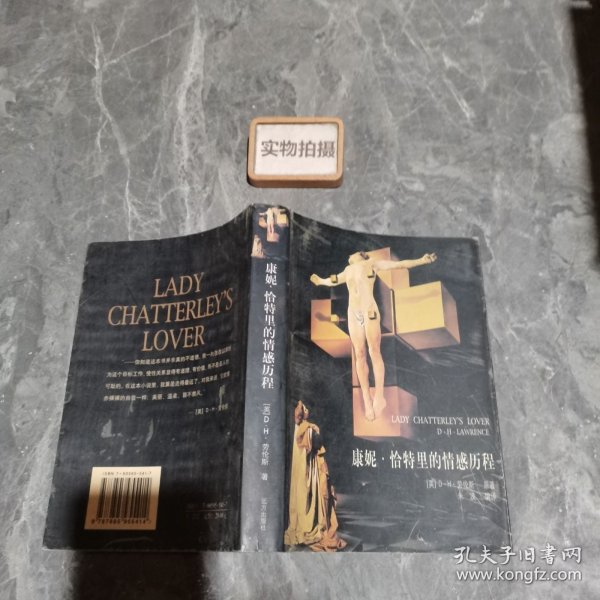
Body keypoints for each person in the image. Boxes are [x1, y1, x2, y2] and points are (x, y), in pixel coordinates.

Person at [310, 251, 437, 421]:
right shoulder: (348, 270)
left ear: (361, 255)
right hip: (354, 313)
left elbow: (399, 264)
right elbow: (334, 280)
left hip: (369, 310)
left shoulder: (372, 263)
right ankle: (366, 398)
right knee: (359, 354)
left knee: (374, 351)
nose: (348, 256)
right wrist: (320, 281)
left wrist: (421, 260)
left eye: (352, 255)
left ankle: (379, 396)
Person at [284, 401, 346, 551]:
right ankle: (306, 528)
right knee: (304, 496)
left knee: (311, 496)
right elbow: (309, 444)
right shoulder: (304, 427)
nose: (306, 411)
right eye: (304, 409)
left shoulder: (306, 427)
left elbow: (313, 445)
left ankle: (310, 525)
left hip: (309, 467)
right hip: (304, 467)